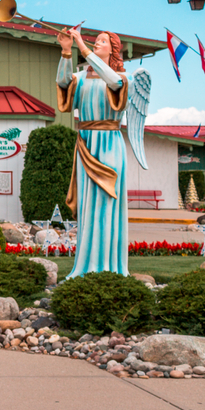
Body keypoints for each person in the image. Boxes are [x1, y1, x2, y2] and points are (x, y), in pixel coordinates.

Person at [57, 27, 139, 277]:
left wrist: (82, 46)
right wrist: (65, 51)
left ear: (114, 50)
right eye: (96, 41)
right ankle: (86, 266)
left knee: (106, 204)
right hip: (86, 144)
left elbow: (111, 80)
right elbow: (62, 82)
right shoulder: (81, 78)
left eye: (102, 41)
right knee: (88, 206)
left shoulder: (124, 78)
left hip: (110, 144)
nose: (97, 44)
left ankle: (111, 267)